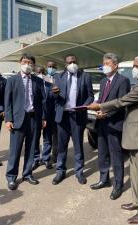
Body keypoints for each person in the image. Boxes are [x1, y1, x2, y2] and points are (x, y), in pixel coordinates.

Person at [88, 54, 138, 224]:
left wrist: (100, 106)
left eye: (137, 66)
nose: (134, 69)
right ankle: (137, 202)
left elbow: (123, 101)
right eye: (134, 65)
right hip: (136, 135)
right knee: (135, 171)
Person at [90, 53, 130, 200]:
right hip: (101, 123)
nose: (105, 66)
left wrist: (106, 113)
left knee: (116, 155)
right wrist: (95, 108)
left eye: (107, 63)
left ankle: (118, 185)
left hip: (114, 124)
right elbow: (101, 100)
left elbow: (121, 104)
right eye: (104, 63)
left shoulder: (123, 81)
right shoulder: (103, 82)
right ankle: (104, 179)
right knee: (102, 153)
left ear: (115, 65)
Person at [5, 53, 47, 190]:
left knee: (31, 148)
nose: (27, 64)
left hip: (34, 118)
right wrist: (8, 119)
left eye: (30, 62)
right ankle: (11, 177)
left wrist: (43, 118)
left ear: (33, 65)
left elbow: (43, 101)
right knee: (15, 150)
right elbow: (8, 102)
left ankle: (27, 173)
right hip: (17, 119)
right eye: (24, 62)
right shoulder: (12, 80)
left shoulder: (38, 81)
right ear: (20, 63)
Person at [53, 54, 94, 185]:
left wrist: (83, 106)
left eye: (74, 61)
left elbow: (90, 96)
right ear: (65, 64)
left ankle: (79, 172)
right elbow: (53, 95)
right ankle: (60, 171)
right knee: (62, 146)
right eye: (69, 62)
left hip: (77, 116)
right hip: (63, 116)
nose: (72, 64)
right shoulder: (59, 76)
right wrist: (54, 93)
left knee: (78, 146)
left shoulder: (85, 76)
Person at [32, 65, 55, 170]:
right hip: (36, 117)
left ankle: (46, 158)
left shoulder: (50, 85)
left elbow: (53, 100)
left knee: (47, 138)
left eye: (42, 72)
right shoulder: (31, 85)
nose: (40, 74)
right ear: (34, 73)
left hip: (49, 116)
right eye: (38, 72)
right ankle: (36, 159)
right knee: (35, 139)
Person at [45, 60, 59, 163]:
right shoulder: (43, 79)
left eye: (53, 66)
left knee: (56, 136)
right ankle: (45, 157)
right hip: (46, 112)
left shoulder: (59, 78)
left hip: (57, 112)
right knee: (46, 136)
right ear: (46, 67)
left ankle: (55, 156)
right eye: (49, 66)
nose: (51, 68)